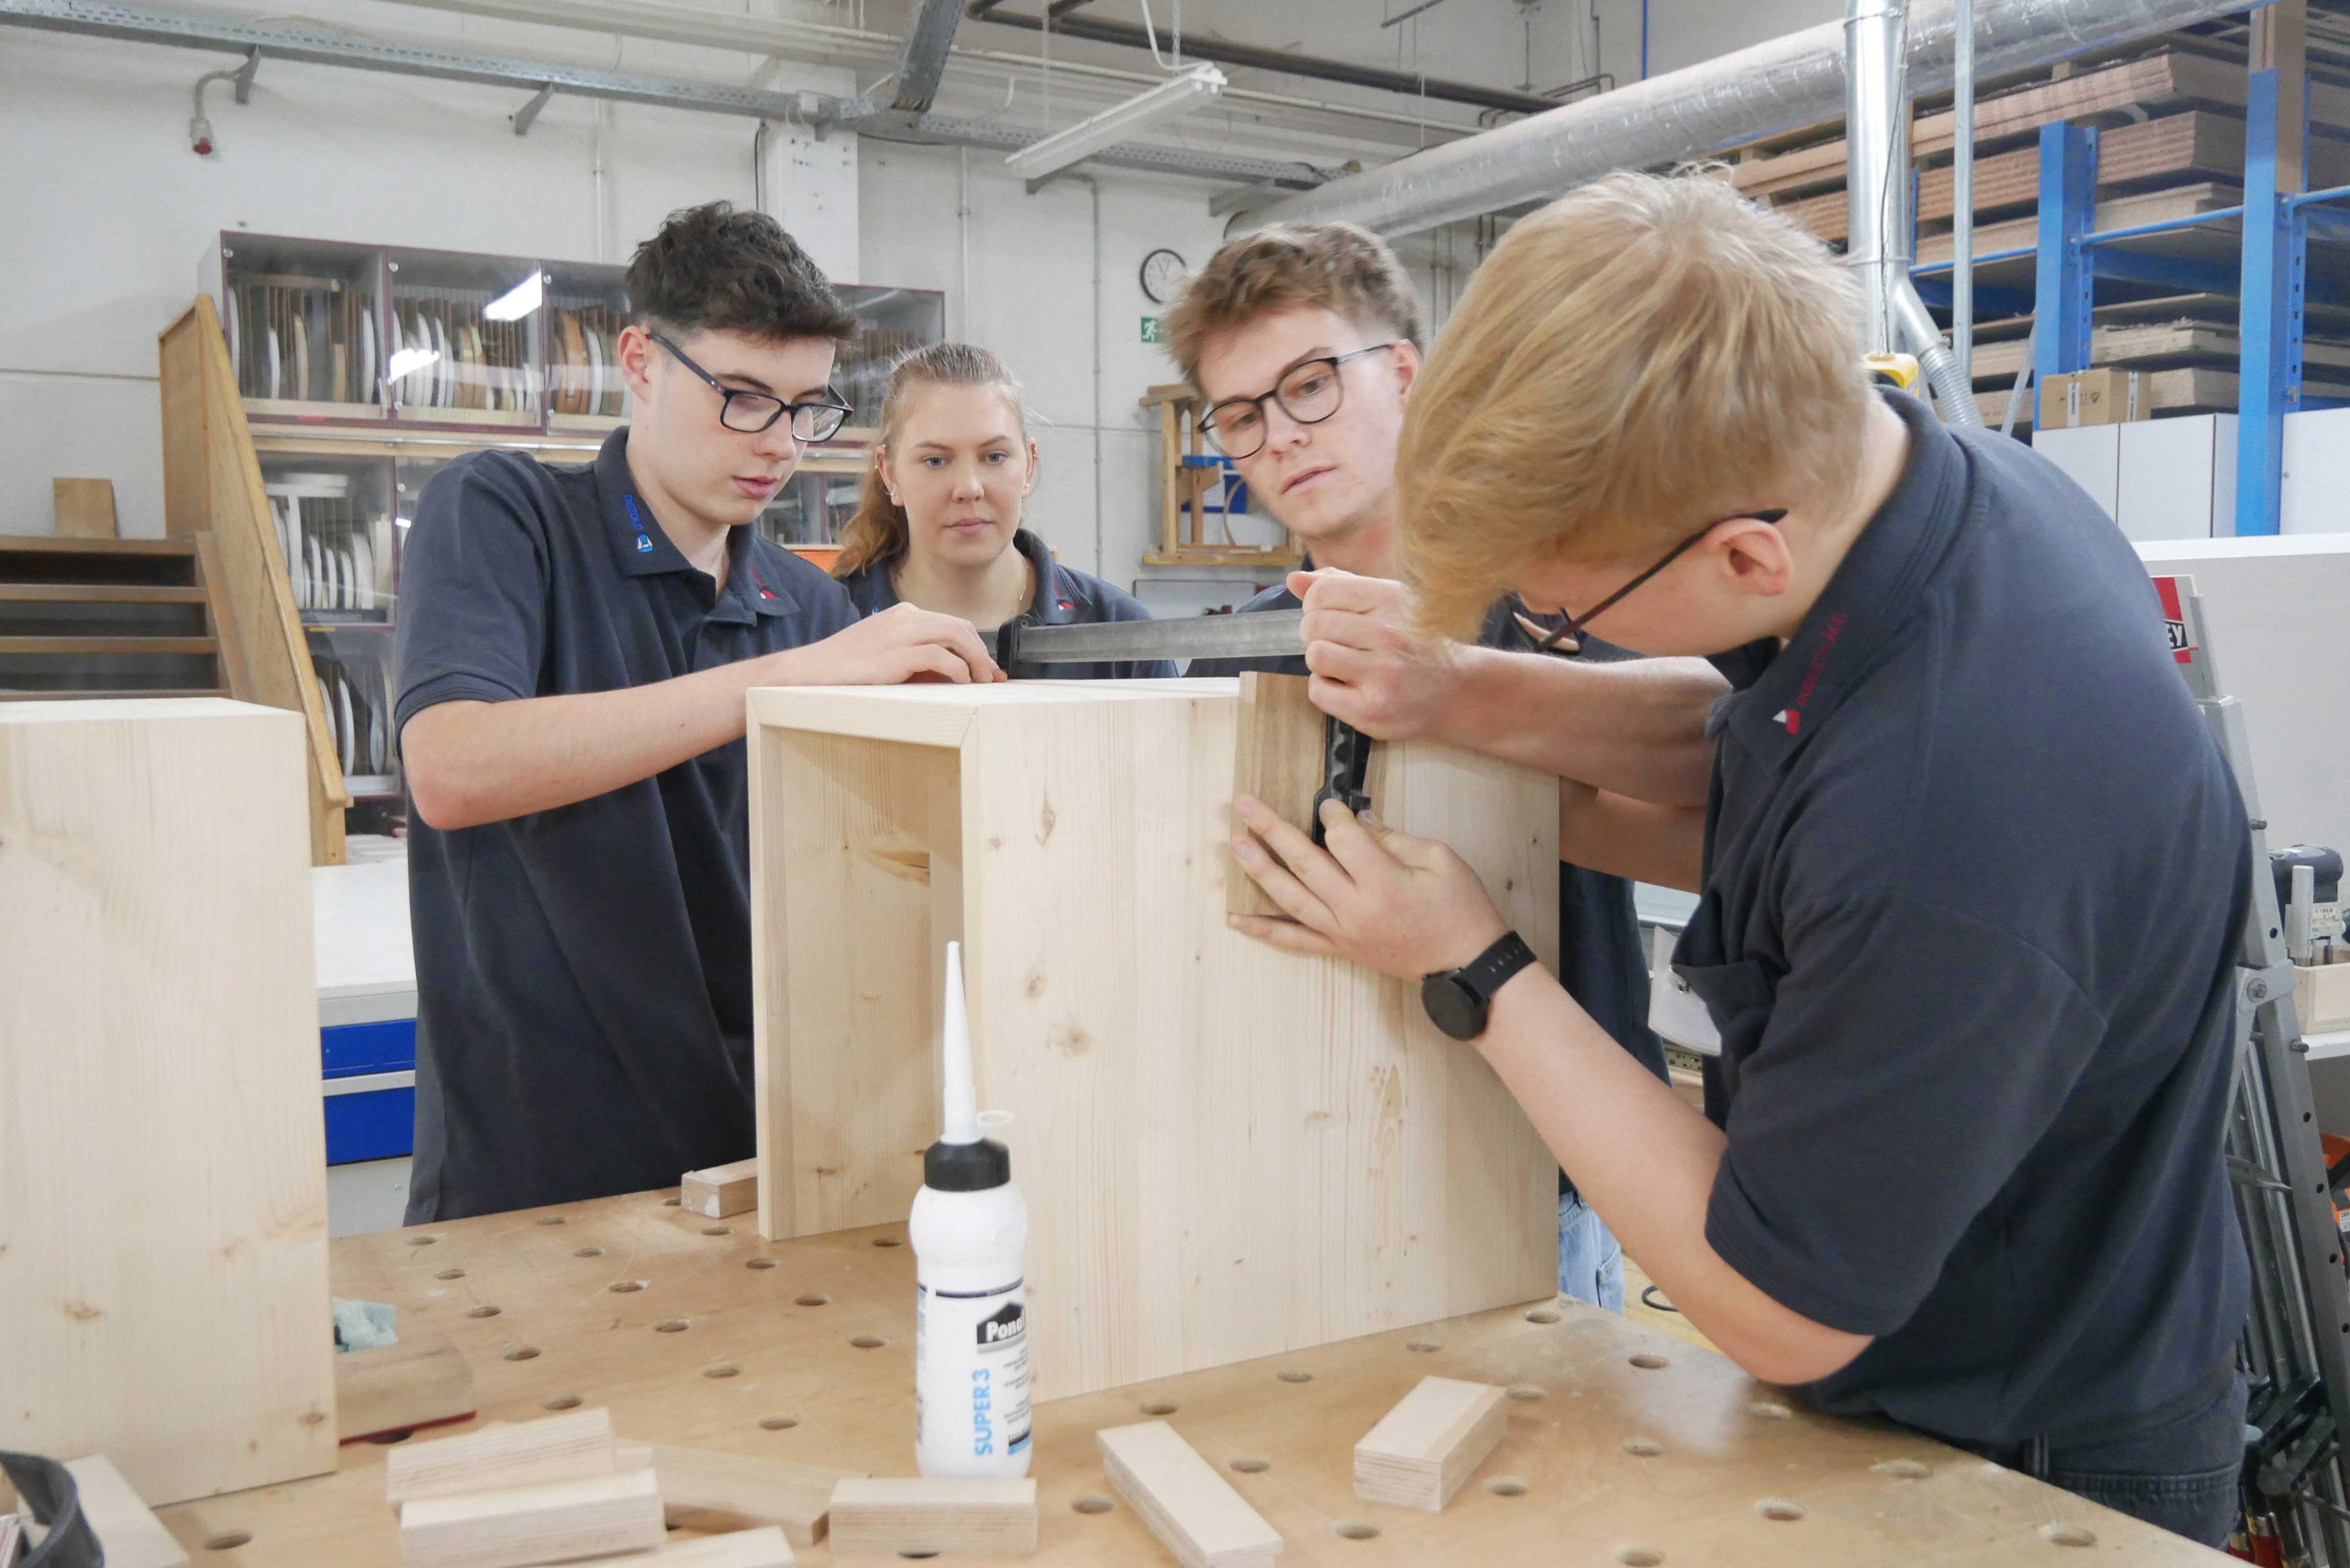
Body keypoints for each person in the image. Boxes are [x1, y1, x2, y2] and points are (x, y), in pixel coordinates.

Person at [1226, 171, 2250, 1547]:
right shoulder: (1914, 488)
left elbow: (1788, 1308)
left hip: (2029, 1463)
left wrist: (1474, 964)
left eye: (1562, 606)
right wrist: (1460, 697)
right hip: (1942, 1381)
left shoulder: (1958, 817)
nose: (1548, 624)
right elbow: (1766, 748)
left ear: (1748, 553)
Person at [395, 202, 1002, 1223]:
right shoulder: (506, 516)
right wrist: (792, 678)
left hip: (755, 1169)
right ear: (639, 360)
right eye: (742, 398)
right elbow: (453, 768)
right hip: (533, 1178)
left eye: (807, 408)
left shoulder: (804, 606)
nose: (780, 445)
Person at [1163, 221, 1726, 1312]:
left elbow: (1721, 778)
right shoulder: (1246, 645)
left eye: (1312, 384)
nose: (1279, 434)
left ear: (1406, 373)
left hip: (1533, 1177)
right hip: (1304, 1172)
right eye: (1241, 415)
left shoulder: (1556, 597)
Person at [833, 343, 1173, 681]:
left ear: (1029, 464)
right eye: (936, 460)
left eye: (994, 457)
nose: (969, 488)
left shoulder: (1120, 631)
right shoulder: (828, 627)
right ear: (890, 473)